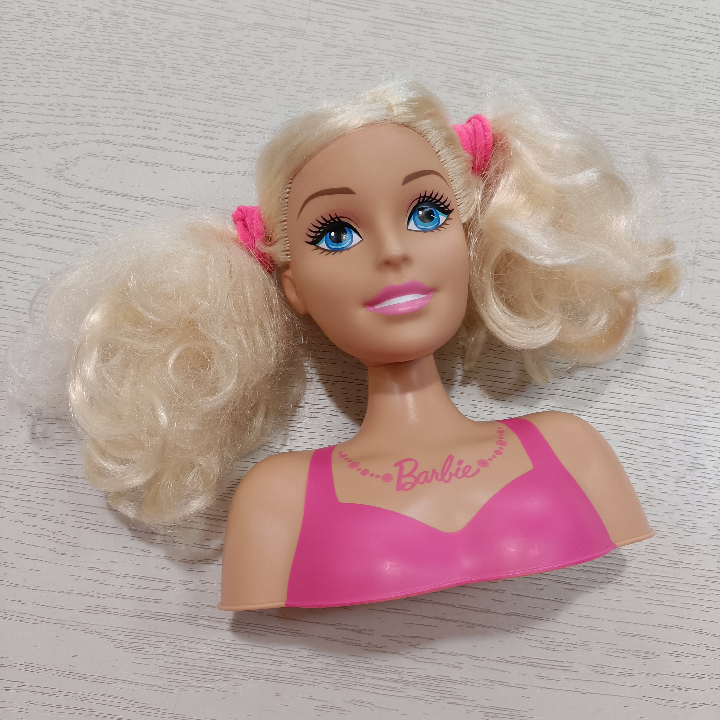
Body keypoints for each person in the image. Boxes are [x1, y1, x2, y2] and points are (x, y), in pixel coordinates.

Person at [11, 82, 679, 610]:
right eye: (336, 234)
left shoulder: (569, 454)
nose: (392, 253)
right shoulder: (279, 505)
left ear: (468, 239)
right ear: (293, 286)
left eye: (426, 214)